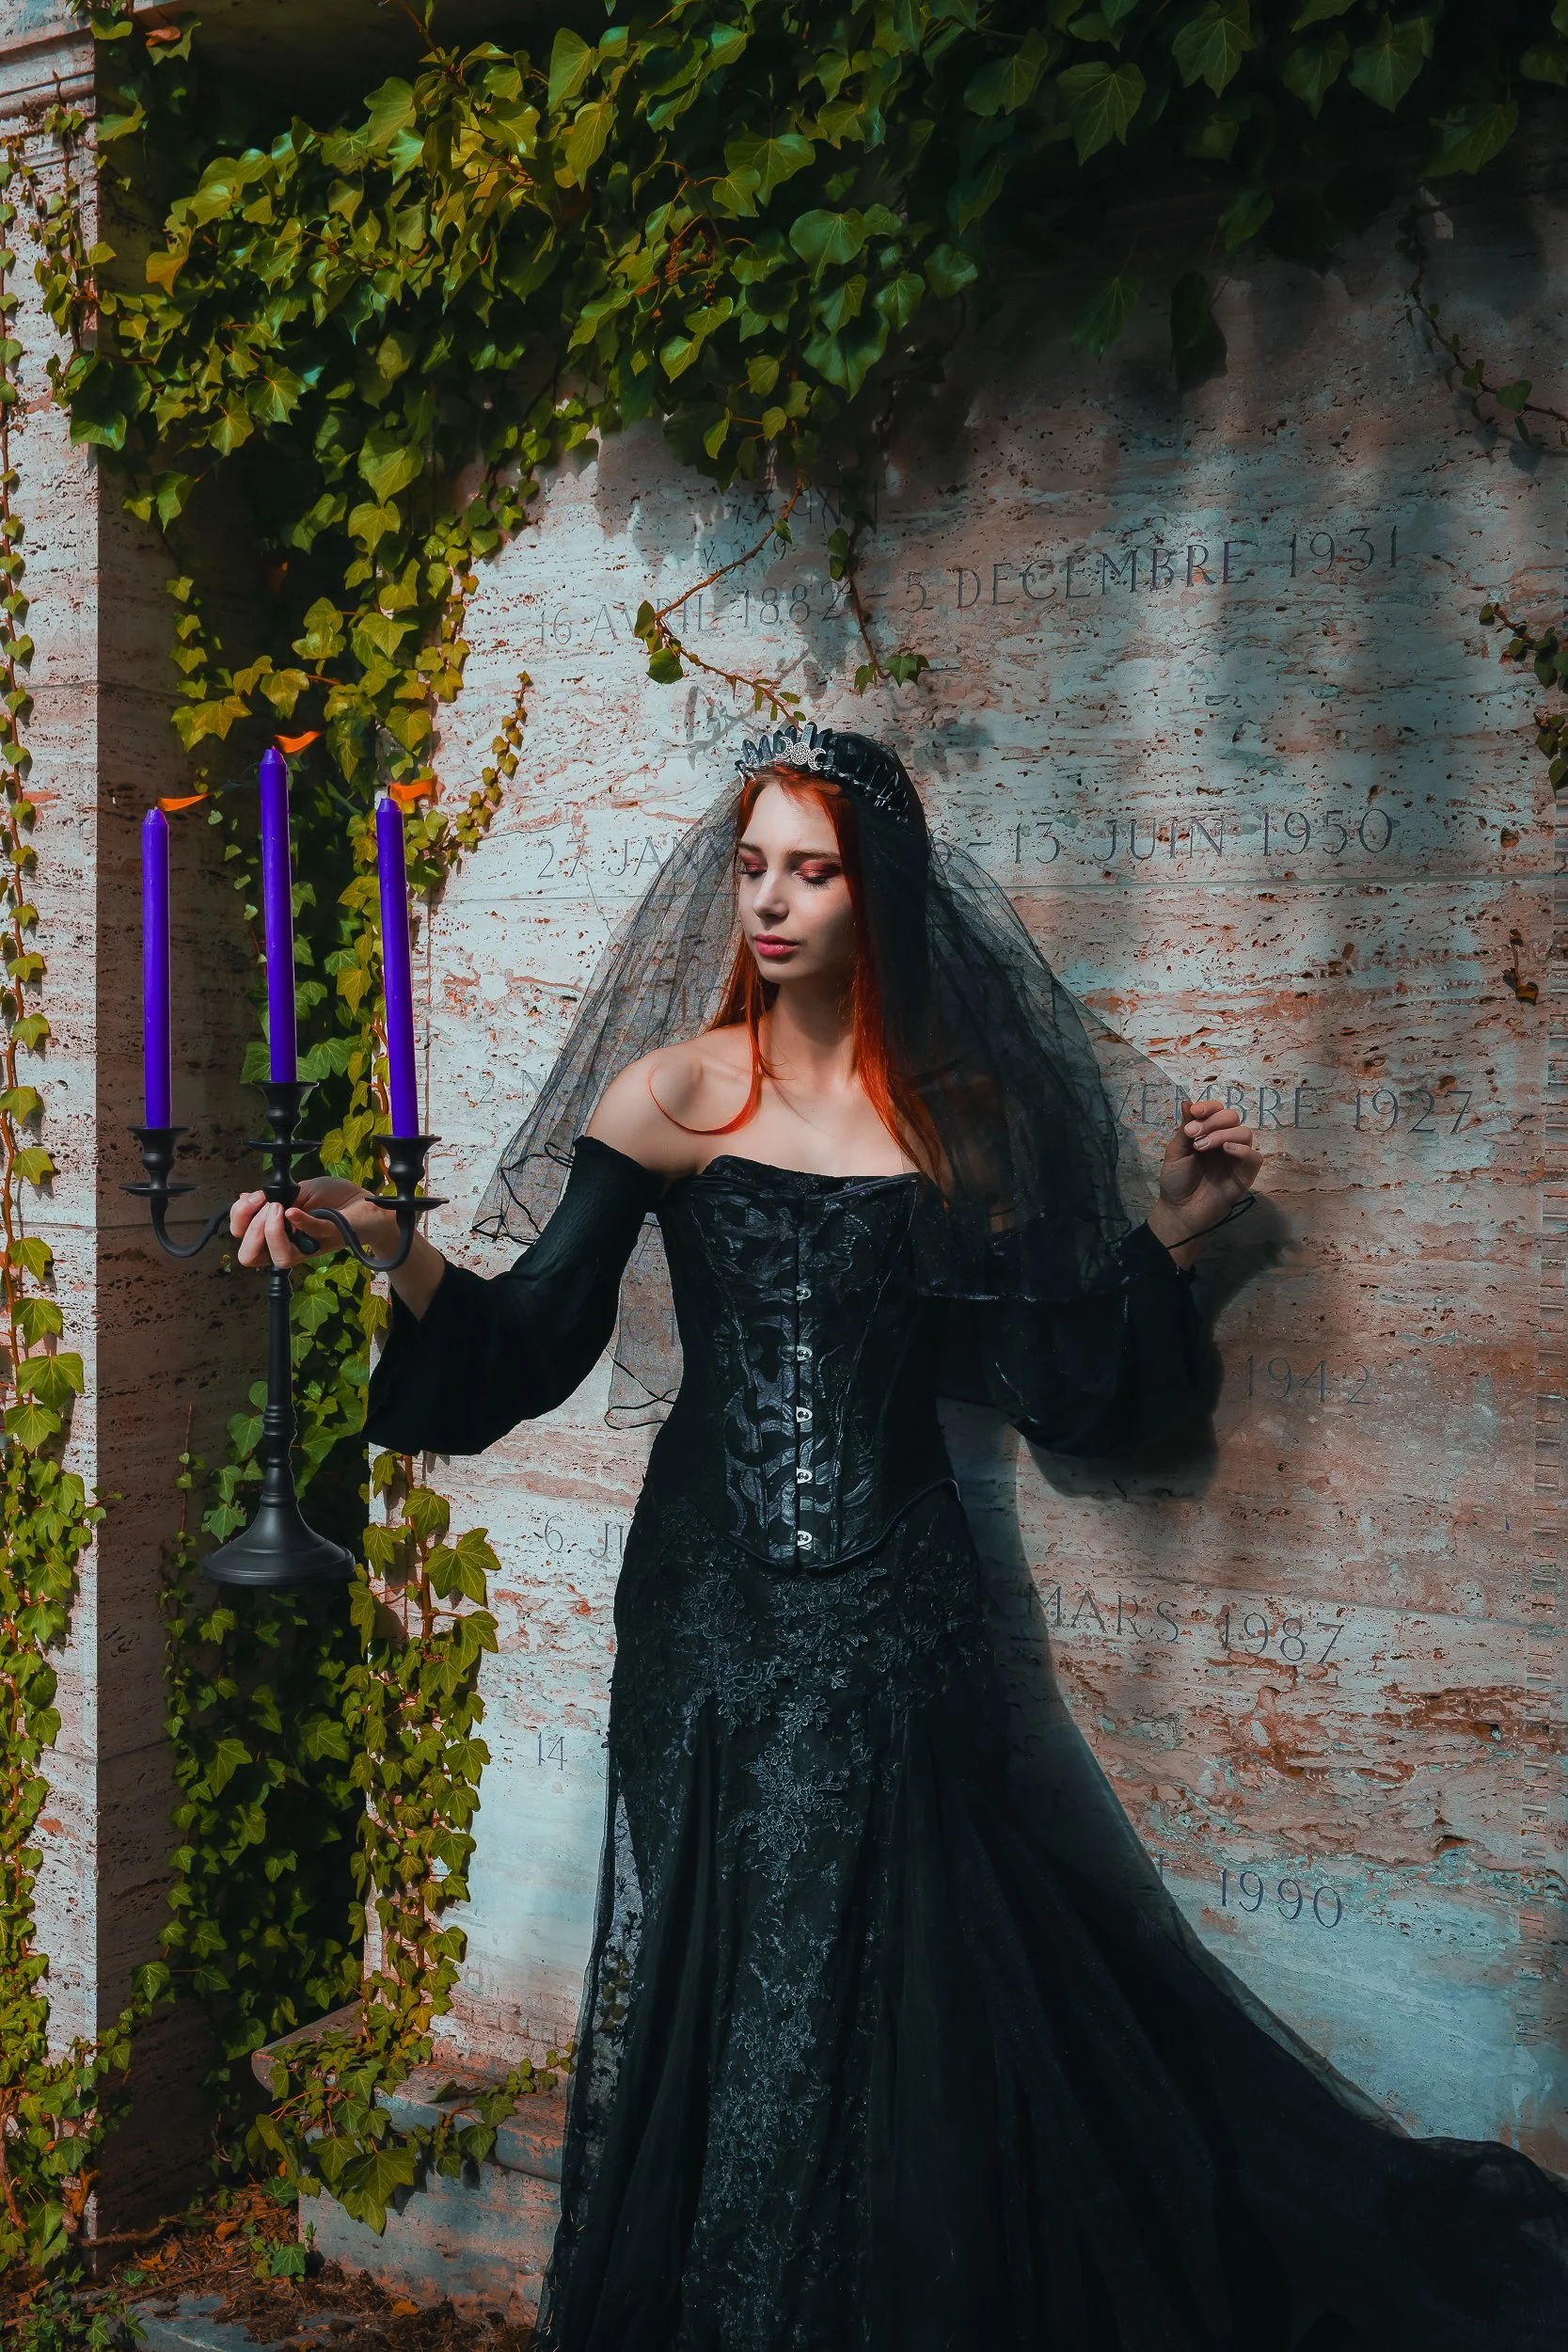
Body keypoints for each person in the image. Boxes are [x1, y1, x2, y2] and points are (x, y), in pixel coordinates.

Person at [232, 725, 1568, 2351]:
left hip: (898, 1614)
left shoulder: (962, 1122)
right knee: (733, 1987)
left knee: (898, 1992)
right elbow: (521, 1347)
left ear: (882, 896)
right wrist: (384, 1242)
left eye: (813, 868)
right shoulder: (667, 1094)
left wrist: (1166, 1236)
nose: (772, 903)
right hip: (707, 1618)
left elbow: (1046, 1378)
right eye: (751, 868)